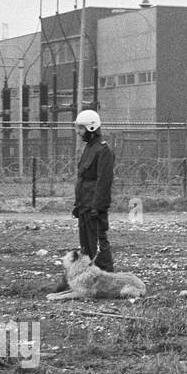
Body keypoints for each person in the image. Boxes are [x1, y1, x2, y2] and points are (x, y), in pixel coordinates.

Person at [72, 109, 116, 272]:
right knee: (86, 248)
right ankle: (90, 279)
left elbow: (103, 182)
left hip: (94, 208)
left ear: (91, 128)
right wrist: (78, 204)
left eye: (81, 128)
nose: (78, 132)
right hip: (85, 206)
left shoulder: (103, 150)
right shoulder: (89, 148)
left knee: (98, 247)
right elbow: (83, 179)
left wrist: (97, 207)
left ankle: (108, 279)